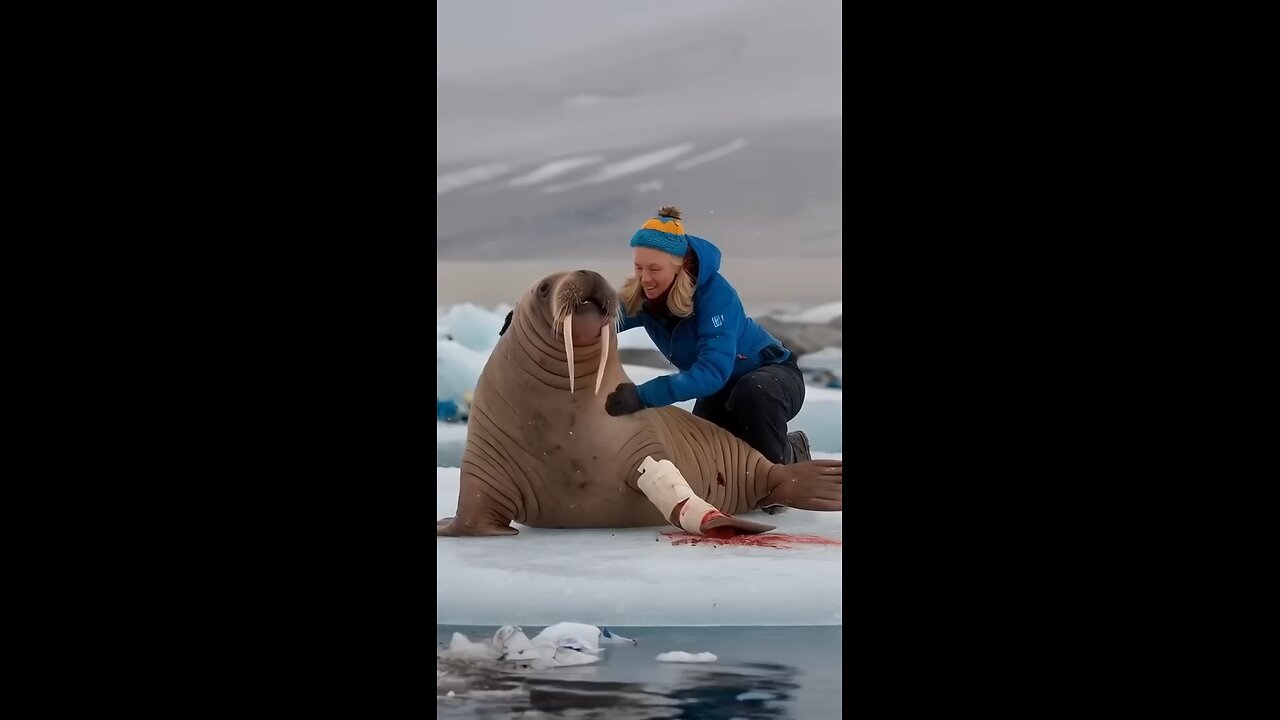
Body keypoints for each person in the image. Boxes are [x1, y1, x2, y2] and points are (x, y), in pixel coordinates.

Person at [605, 206, 811, 466]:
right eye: (638, 267)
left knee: (752, 395)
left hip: (773, 377)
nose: (644, 279)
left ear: (680, 267)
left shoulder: (716, 295)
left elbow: (712, 371)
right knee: (707, 458)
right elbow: (602, 323)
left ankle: (791, 455)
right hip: (722, 389)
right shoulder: (643, 295)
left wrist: (642, 395)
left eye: (654, 269)